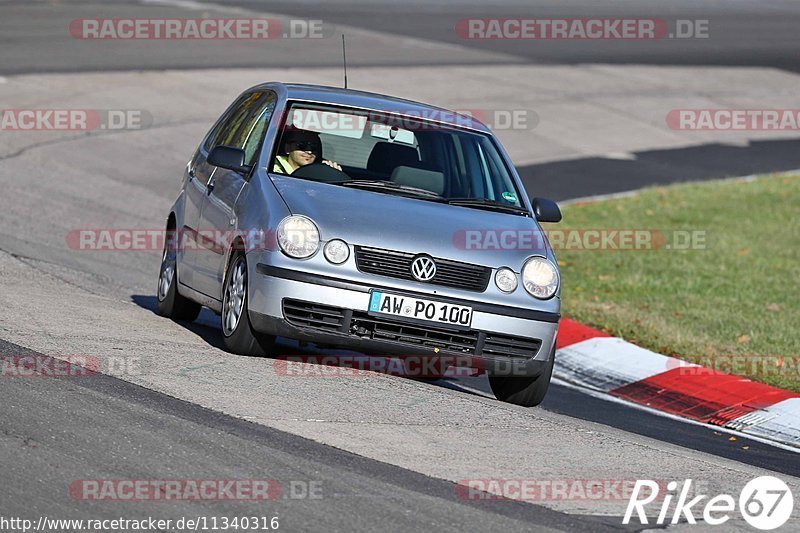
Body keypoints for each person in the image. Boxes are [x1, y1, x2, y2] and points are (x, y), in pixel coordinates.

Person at [272, 129, 342, 174]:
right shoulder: (272, 169)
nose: (309, 151)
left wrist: (334, 175)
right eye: (302, 145)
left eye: (314, 146)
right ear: (288, 148)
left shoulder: (319, 173)